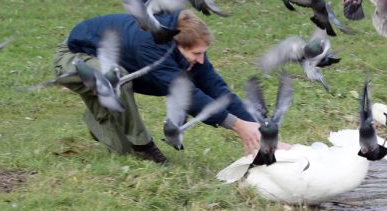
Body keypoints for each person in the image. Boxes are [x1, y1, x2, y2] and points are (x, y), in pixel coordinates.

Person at [53, 9, 262, 164]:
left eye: (203, 53)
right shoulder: (151, 45)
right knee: (117, 79)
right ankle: (143, 145)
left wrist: (258, 130)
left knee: (121, 150)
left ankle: (100, 117)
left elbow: (216, 89)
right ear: (177, 46)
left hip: (112, 58)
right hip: (74, 56)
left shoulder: (185, 43)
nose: (201, 59)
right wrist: (237, 126)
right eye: (196, 54)